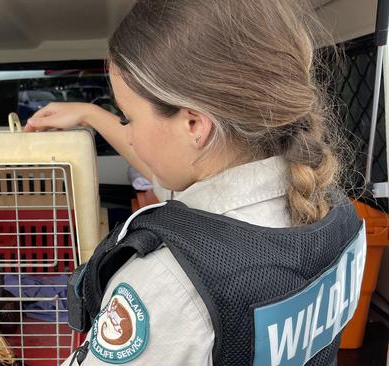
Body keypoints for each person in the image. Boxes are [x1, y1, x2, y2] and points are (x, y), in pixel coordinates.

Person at [25, 0, 366, 365]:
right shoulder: (338, 213)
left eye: (128, 118)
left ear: (194, 125)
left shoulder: (168, 280)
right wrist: (91, 114)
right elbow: (174, 172)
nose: (130, 137)